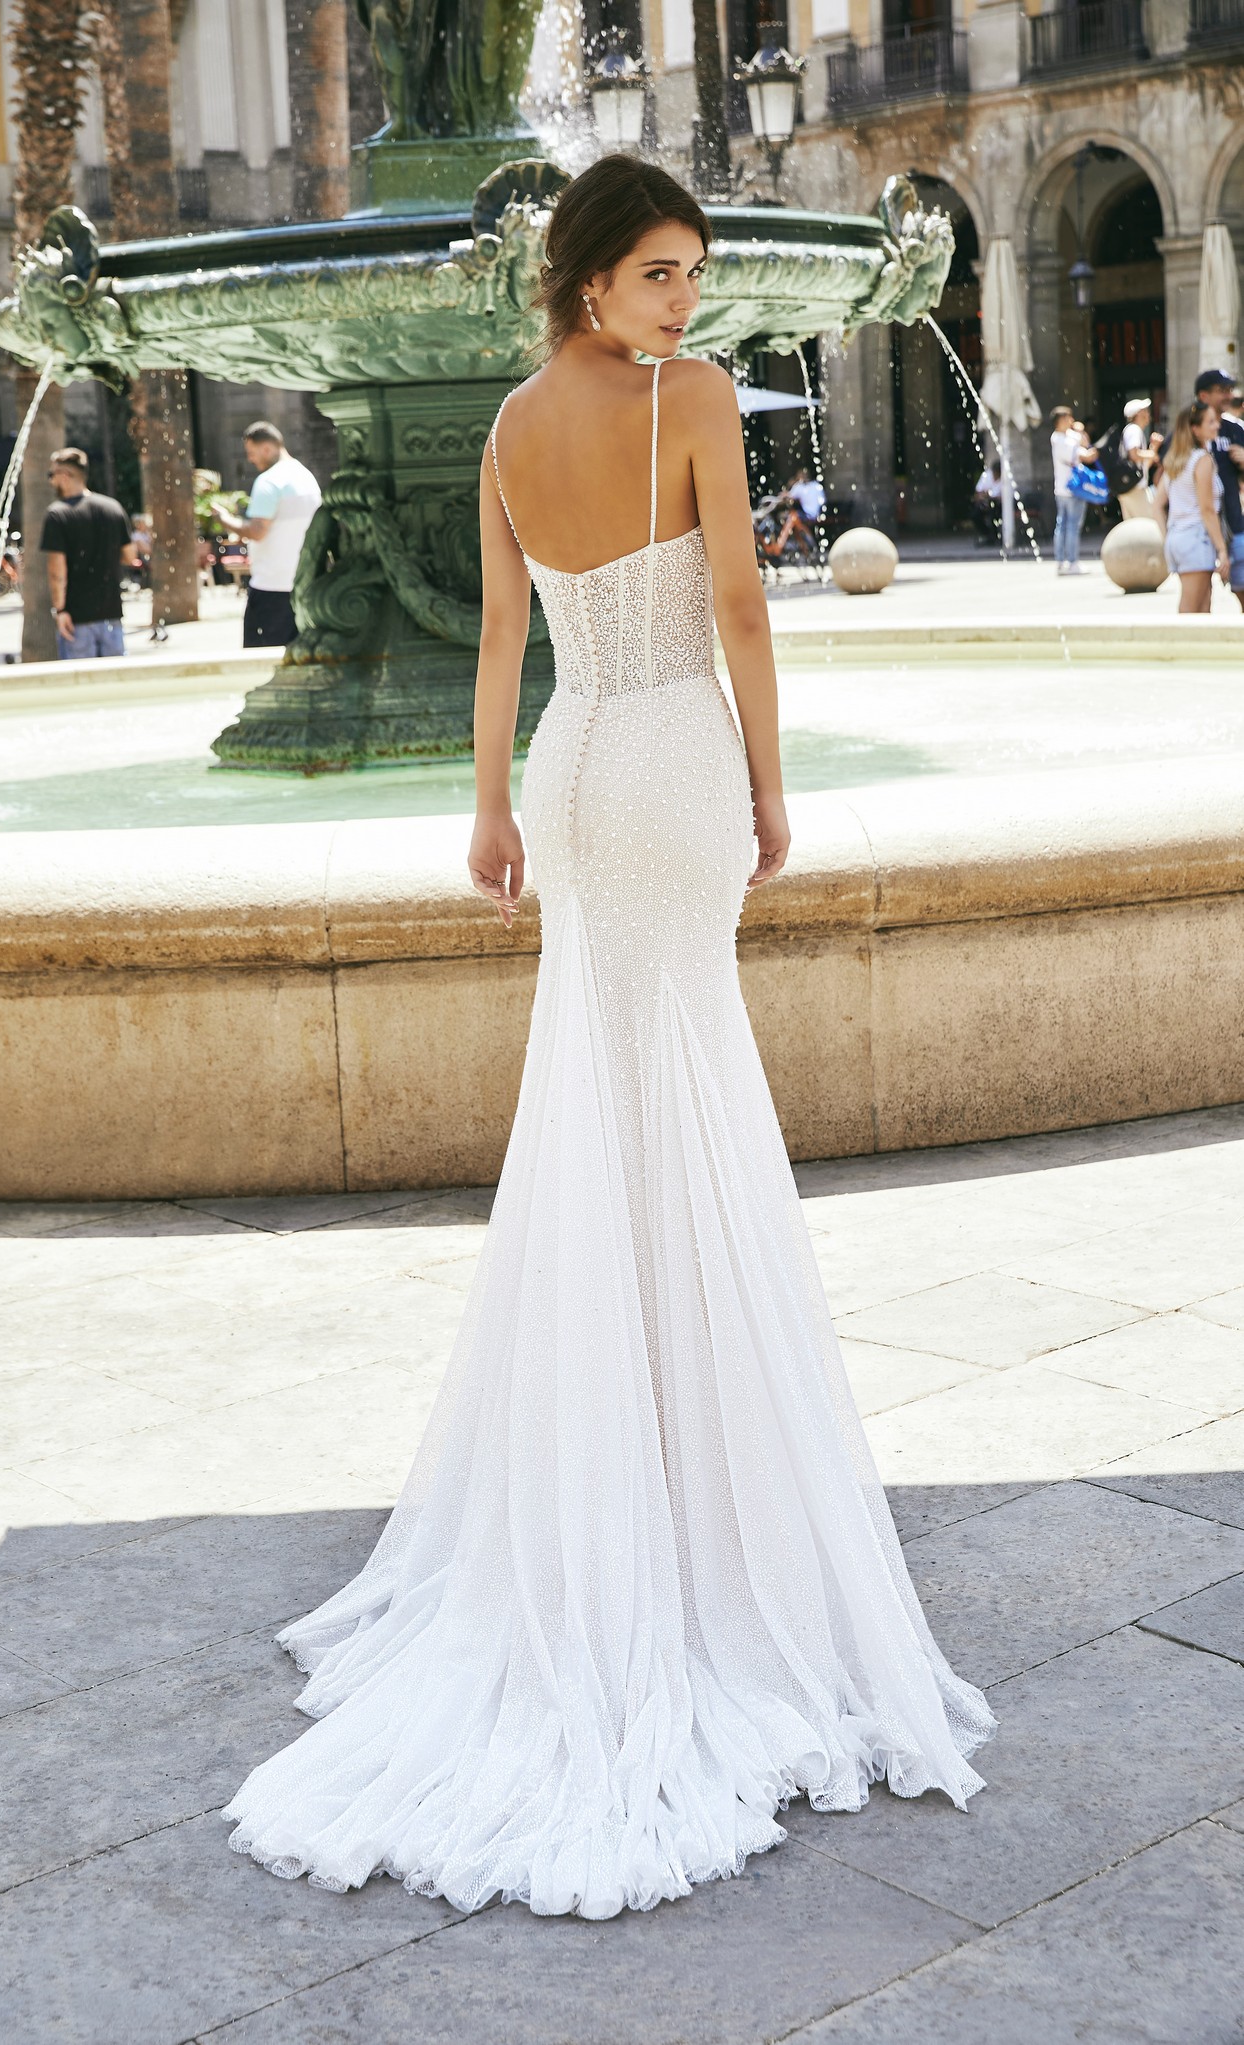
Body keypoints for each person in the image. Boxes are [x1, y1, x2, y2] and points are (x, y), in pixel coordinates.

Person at [224, 154, 994, 1919]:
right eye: (657, 273)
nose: (683, 302)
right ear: (586, 281)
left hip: (575, 775)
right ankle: (704, 1488)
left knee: (600, 1097)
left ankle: (614, 1458)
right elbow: (734, 612)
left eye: (692, 277)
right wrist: (775, 789)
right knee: (681, 1092)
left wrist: (487, 809)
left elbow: (505, 635)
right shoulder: (690, 401)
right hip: (662, 759)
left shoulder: (504, 429)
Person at [215, 420, 321, 647]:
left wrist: (225, 520)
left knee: (261, 662)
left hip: (271, 587)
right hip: (304, 585)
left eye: (251, 453)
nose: (250, 459)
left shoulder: (269, 481)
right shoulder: (307, 478)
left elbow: (257, 531)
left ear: (267, 448)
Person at [40, 447, 138, 659]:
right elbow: (130, 556)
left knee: (81, 687)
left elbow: (57, 570)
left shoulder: (57, 515)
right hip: (111, 615)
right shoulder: (113, 508)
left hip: (77, 618)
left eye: (52, 475)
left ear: (64, 476)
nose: (51, 481)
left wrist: (60, 610)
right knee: (113, 684)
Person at [1153, 396, 1230, 614]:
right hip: (1196, 537)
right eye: (1211, 422)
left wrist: (1168, 536)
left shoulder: (1175, 461)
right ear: (1195, 429)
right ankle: (1173, 649)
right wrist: (1222, 550)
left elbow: (1157, 506)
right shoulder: (1201, 460)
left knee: (1202, 608)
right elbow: (1207, 510)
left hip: (1179, 538)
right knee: (1191, 611)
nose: (1217, 425)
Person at [1194, 367, 1244, 612]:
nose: (1228, 395)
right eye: (1221, 390)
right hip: (1198, 530)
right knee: (1200, 599)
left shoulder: (1235, 429)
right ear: (1203, 396)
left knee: (1242, 590)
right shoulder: (1187, 431)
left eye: (1229, 390)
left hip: (1235, 524)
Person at [1050, 404, 1100, 574]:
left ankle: (1062, 561)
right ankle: (1071, 562)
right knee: (1071, 525)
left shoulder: (1063, 437)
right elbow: (1084, 454)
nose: (1071, 421)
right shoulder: (1060, 439)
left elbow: (1084, 442)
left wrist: (1080, 431)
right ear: (1061, 420)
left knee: (1063, 525)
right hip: (1071, 488)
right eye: (1068, 418)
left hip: (1062, 489)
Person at [1116, 399, 1162, 520]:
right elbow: (1134, 454)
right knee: (1148, 524)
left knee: (1133, 528)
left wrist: (1153, 448)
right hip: (1134, 488)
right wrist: (1152, 453)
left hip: (1133, 487)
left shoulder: (1133, 430)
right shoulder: (1133, 429)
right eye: (1145, 410)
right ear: (1138, 414)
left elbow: (1144, 465)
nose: (1148, 414)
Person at [972, 457, 1002, 545]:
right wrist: (985, 496)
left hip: (999, 505)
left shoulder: (1004, 479)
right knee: (975, 515)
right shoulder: (987, 476)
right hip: (986, 503)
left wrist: (988, 494)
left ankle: (996, 536)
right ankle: (988, 535)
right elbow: (979, 492)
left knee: (993, 515)